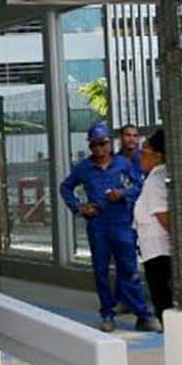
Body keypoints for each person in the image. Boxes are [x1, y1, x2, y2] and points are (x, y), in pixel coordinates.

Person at [61, 122, 155, 330]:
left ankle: (143, 314)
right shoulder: (84, 168)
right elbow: (65, 187)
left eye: (103, 144)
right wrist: (79, 207)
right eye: (95, 145)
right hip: (98, 226)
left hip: (121, 223)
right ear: (90, 147)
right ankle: (107, 314)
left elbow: (139, 185)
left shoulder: (122, 164)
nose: (99, 149)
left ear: (109, 144)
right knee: (101, 271)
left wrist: (122, 193)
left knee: (129, 269)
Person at [134, 128, 175, 319]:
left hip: (160, 251)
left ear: (158, 156)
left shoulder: (156, 179)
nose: (140, 156)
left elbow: (164, 217)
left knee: (163, 302)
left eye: (144, 152)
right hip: (157, 250)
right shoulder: (158, 177)